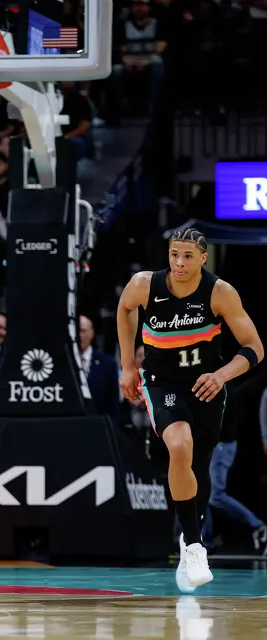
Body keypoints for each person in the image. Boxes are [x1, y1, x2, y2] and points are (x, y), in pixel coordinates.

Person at [117, 228, 263, 593]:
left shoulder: (219, 292)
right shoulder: (144, 285)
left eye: (187, 256)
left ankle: (190, 536)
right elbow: (124, 309)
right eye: (173, 254)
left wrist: (223, 374)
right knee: (179, 446)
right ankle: (195, 545)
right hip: (161, 383)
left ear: (202, 258)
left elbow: (255, 347)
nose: (179, 263)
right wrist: (127, 365)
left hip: (205, 384)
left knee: (200, 467)